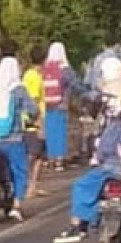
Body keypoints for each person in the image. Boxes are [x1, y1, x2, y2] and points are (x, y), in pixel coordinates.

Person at [53, 80, 121, 243]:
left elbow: (103, 149)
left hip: (112, 169)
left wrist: (99, 160)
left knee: (82, 186)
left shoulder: (116, 123)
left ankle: (79, 225)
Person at [0, 57, 38, 221]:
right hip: (14, 138)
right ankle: (16, 205)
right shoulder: (18, 89)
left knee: (3, 172)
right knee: (20, 172)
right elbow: (33, 110)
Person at [43, 42, 82, 172]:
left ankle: (50, 158)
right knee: (60, 131)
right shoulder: (64, 69)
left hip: (48, 104)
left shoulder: (46, 67)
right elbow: (75, 85)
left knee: (51, 130)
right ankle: (59, 159)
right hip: (62, 104)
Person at [22, 44, 47, 198]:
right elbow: (31, 102)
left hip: (41, 119)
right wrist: (38, 123)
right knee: (32, 155)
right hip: (33, 122)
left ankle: (33, 186)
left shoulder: (37, 75)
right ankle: (26, 185)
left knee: (39, 156)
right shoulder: (32, 76)